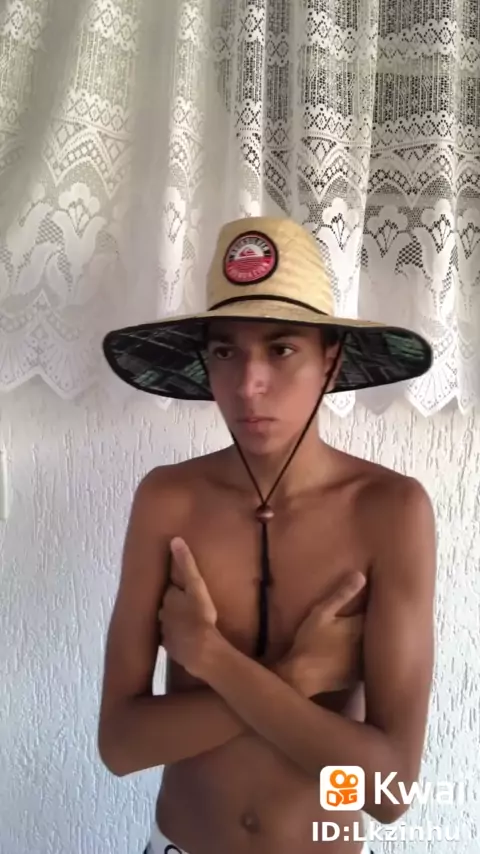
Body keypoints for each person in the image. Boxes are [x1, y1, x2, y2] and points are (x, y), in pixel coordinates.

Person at [98, 216, 437, 854]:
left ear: (330, 361)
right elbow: (121, 745)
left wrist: (213, 659)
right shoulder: (168, 500)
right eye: (226, 352)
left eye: (281, 350)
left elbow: (387, 791)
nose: (249, 385)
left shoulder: (390, 511)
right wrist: (296, 676)